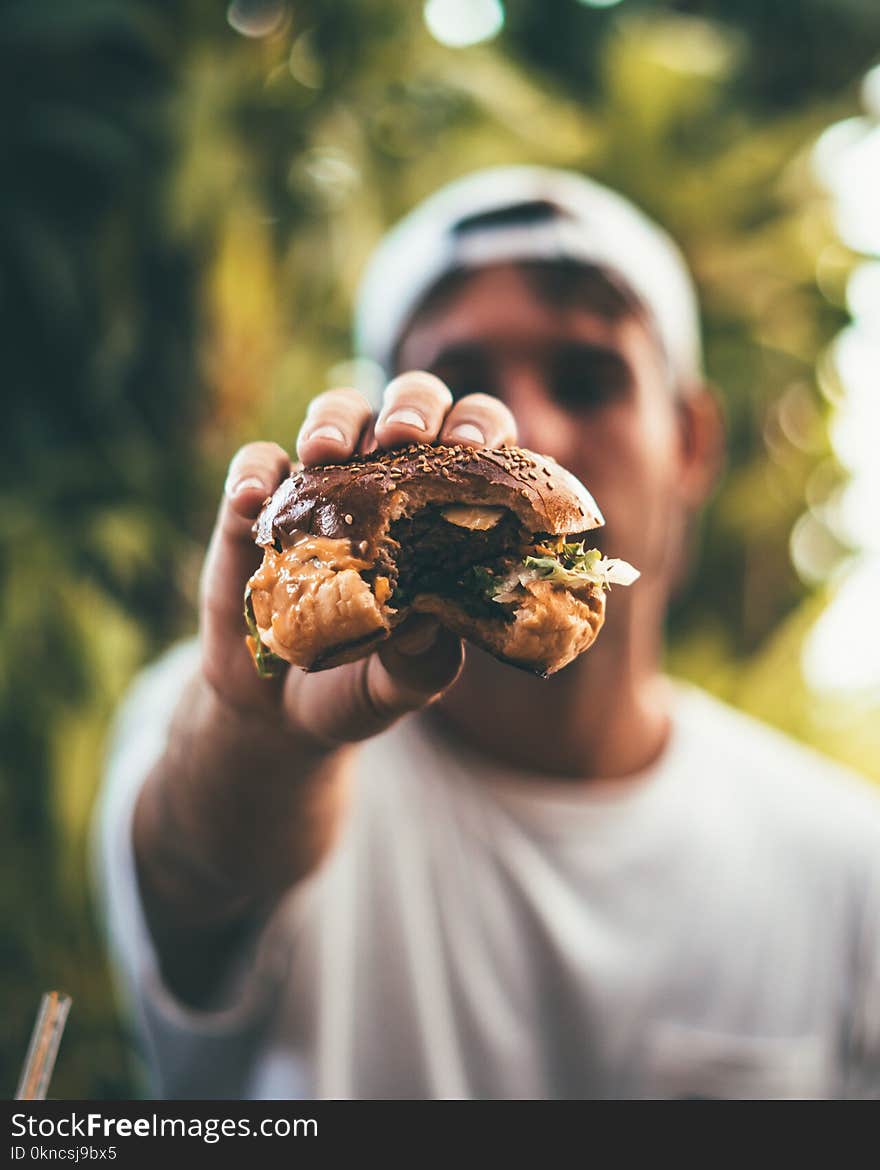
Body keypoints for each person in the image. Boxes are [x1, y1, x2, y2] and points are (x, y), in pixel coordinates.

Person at [93, 166, 880, 1100]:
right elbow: (197, 872)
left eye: (588, 381)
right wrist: (258, 737)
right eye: (462, 383)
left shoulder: (843, 869)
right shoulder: (227, 725)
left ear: (692, 443)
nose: (533, 433)